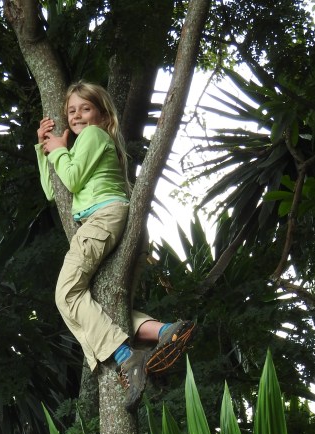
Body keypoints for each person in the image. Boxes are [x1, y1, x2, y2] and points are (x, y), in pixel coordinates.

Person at [35, 81, 196, 412]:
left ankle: (126, 357)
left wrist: (59, 150)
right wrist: (44, 149)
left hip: (102, 218)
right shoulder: (81, 146)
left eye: (85, 108)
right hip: (113, 220)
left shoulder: (94, 136)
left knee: (66, 294)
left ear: (101, 113)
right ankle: (166, 331)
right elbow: (54, 190)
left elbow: (73, 179)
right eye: (71, 111)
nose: (77, 116)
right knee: (102, 306)